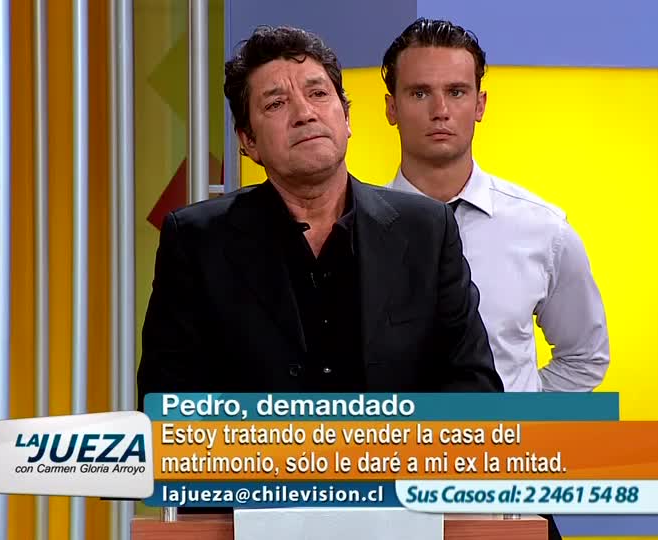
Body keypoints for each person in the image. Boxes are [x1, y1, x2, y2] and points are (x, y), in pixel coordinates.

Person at [137, 25, 504, 412]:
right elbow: (168, 402)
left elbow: (474, 387)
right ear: (248, 141)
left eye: (317, 94)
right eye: (276, 104)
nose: (304, 114)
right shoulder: (197, 241)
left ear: (346, 117)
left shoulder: (427, 230)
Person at [382, 19, 610, 396]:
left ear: (480, 104)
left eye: (456, 92)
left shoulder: (544, 229)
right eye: (420, 93)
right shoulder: (352, 229)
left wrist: (519, 416)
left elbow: (585, 357)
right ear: (392, 108)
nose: (440, 110)